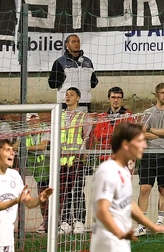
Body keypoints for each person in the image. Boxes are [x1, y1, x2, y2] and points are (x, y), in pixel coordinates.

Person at [90, 122, 164, 252]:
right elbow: (102, 211)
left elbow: (128, 204)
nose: (144, 145)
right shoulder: (108, 171)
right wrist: (118, 232)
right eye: (140, 141)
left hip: (120, 242)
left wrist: (152, 226)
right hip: (107, 244)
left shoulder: (123, 170)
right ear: (126, 145)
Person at [0, 139, 53, 252]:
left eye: (13, 149)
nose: (12, 152)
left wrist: (39, 200)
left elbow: (28, 202)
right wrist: (15, 201)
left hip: (9, 242)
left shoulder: (15, 175)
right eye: (7, 150)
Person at [136, 83, 164, 236]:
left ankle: (160, 221)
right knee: (144, 188)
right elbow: (141, 134)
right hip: (149, 154)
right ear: (156, 95)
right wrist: (162, 133)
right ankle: (141, 224)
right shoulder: (148, 112)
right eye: (162, 93)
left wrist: (152, 131)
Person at [59, 87, 92, 235]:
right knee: (64, 191)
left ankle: (79, 221)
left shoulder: (84, 116)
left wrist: (82, 153)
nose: (68, 97)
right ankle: (66, 221)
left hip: (77, 159)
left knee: (78, 190)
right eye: (66, 95)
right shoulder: (60, 115)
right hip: (62, 160)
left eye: (71, 95)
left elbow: (87, 137)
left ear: (78, 98)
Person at [48, 33, 98, 110]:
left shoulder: (87, 61)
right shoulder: (60, 62)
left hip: (85, 103)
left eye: (78, 41)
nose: (76, 44)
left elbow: (94, 83)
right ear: (67, 44)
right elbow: (52, 84)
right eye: (73, 41)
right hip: (66, 104)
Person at [23, 112, 52, 233]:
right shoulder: (26, 133)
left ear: (39, 120)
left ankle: (53, 222)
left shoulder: (46, 129)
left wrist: (25, 148)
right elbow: (17, 145)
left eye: (35, 120)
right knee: (42, 197)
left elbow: (43, 146)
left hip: (50, 168)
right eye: (31, 121)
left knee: (53, 197)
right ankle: (45, 222)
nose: (33, 123)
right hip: (37, 171)